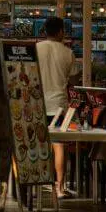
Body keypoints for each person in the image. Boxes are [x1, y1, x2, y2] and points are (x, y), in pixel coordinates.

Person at [36, 17, 78, 199]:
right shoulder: (68, 53)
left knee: (38, 145)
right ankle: (59, 188)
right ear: (61, 31)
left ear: (44, 31)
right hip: (59, 105)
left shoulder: (36, 49)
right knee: (59, 146)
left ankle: (37, 184)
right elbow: (74, 81)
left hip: (37, 104)